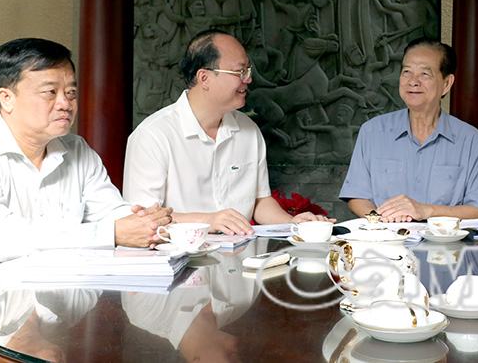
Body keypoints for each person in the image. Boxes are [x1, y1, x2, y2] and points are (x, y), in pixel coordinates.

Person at [0, 38, 172, 331]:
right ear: (7, 98)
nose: (65, 104)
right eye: (50, 92)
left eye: (71, 92)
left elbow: (112, 214)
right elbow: (3, 240)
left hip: (53, 317)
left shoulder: (77, 150)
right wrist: (112, 232)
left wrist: (144, 223)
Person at [124, 30, 331, 235]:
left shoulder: (249, 130)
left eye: (248, 70)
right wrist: (208, 220)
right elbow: (143, 218)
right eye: (240, 72)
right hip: (181, 254)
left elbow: (260, 201)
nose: (248, 79)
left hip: (240, 252)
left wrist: (292, 222)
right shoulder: (153, 135)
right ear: (204, 78)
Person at [339, 38, 478, 222]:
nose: (413, 81)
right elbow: (357, 196)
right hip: (386, 236)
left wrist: (425, 210)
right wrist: (380, 220)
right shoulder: (372, 132)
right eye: (407, 72)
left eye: (424, 74)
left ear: (446, 83)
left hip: (443, 240)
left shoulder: (472, 141)